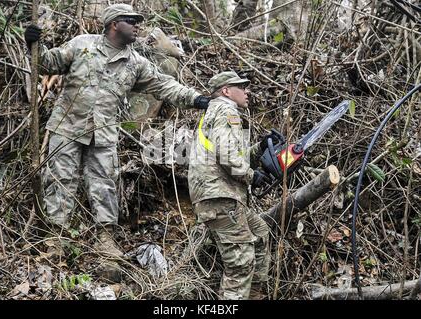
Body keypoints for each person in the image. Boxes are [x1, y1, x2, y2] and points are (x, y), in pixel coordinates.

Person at [23, 4, 210, 261]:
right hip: (67, 127)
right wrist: (33, 44)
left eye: (137, 21)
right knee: (60, 180)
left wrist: (197, 99)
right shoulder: (82, 45)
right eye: (131, 21)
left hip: (103, 134)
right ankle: (56, 241)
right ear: (114, 24)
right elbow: (47, 63)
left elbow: (164, 86)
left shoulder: (135, 63)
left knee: (104, 185)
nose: (137, 26)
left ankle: (106, 240)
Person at [188, 71, 271, 299]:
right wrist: (252, 176)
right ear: (226, 91)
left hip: (221, 197)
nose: (247, 91)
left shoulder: (215, 112)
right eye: (241, 87)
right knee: (240, 265)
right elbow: (227, 156)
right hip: (220, 197)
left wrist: (261, 147)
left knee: (260, 233)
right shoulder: (226, 110)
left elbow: (231, 155)